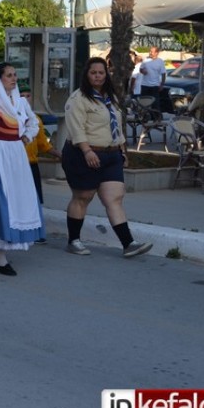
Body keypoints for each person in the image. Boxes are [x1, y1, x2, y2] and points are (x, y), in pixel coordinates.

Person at [61, 57, 153, 258]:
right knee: (83, 197)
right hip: (84, 154)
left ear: (106, 75)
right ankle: (73, 241)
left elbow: (117, 126)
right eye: (93, 72)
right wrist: (87, 151)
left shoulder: (111, 98)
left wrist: (122, 151)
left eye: (101, 73)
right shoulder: (78, 99)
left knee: (115, 198)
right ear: (86, 75)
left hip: (111, 154)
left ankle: (128, 244)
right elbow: (76, 129)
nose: (97, 76)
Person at [0, 64, 45, 276]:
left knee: (16, 198)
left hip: (16, 153)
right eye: (8, 76)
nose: (13, 79)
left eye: (15, 75)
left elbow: (33, 123)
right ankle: (0, 256)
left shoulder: (20, 102)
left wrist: (26, 136)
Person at [20, 85, 61, 213]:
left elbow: (43, 144)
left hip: (32, 165)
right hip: (17, 164)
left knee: (34, 200)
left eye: (28, 95)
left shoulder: (36, 120)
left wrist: (59, 154)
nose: (25, 99)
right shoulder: (11, 118)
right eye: (22, 96)